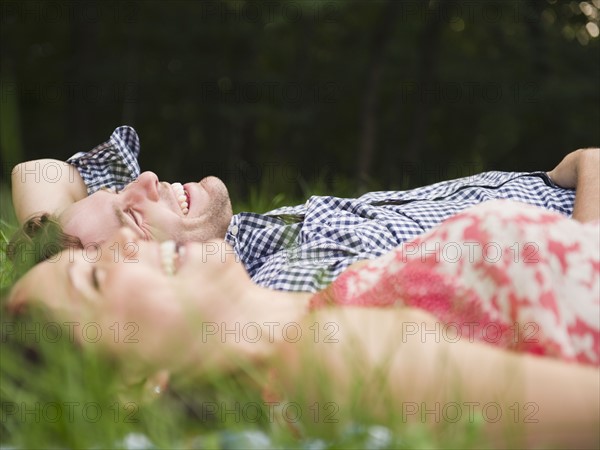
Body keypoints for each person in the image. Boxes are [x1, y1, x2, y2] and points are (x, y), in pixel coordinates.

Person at [5, 196, 599, 448]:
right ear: (137, 382)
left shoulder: (335, 309)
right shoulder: (329, 359)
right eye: (94, 278)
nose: (124, 243)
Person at [9, 126, 596, 291]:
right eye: (134, 215)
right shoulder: (288, 283)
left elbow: (39, 172)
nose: (146, 179)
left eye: (116, 194)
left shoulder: (249, 237)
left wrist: (45, 234)